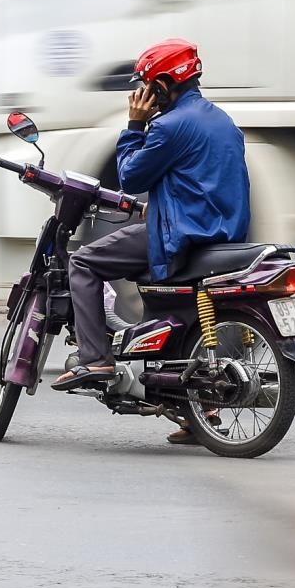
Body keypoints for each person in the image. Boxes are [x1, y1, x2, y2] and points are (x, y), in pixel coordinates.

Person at [55, 39, 251, 416]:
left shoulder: (169, 126)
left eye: (147, 84)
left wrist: (134, 125)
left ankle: (96, 357)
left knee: (82, 263)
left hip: (180, 236)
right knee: (182, 315)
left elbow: (129, 176)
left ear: (162, 83)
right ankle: (201, 416)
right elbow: (199, 182)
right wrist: (158, 205)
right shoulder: (222, 120)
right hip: (219, 234)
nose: (143, 93)